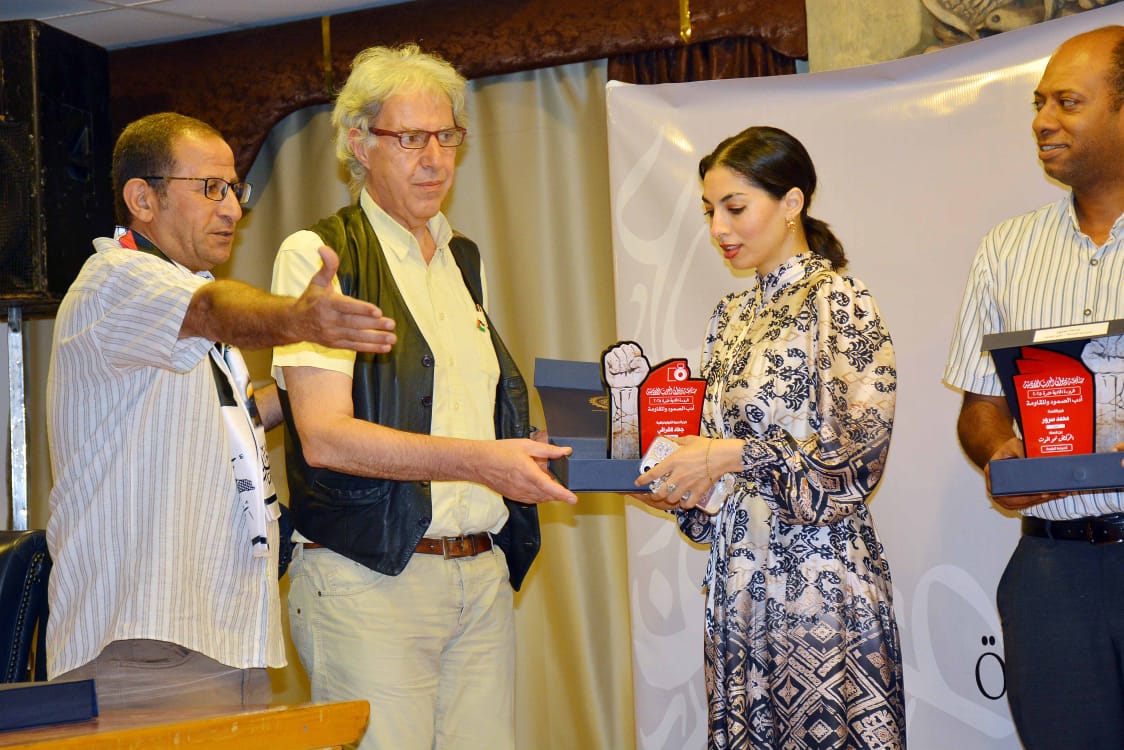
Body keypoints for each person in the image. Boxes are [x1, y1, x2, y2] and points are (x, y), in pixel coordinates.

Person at [270, 44, 576, 750]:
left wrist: (529, 453)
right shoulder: (319, 256)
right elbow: (324, 436)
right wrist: (482, 461)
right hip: (370, 579)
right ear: (359, 144)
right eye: (410, 139)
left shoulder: (464, 257)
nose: (435, 159)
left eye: (447, 137)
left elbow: (466, 411)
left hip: (480, 574)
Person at [45, 112, 397, 710]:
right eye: (211, 188)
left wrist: (311, 390)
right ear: (142, 198)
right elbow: (213, 309)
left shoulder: (176, 295)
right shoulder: (116, 278)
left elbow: (226, 422)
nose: (233, 208)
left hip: (226, 631)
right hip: (146, 639)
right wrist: (298, 319)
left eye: (235, 189)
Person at [636, 126, 905, 749]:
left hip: (819, 585)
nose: (718, 229)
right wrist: (673, 481)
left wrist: (729, 455)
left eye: (735, 207)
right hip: (739, 585)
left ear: (791, 203)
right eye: (710, 211)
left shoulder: (839, 299)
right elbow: (714, 468)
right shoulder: (729, 317)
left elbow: (856, 462)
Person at [944, 25, 1124, 749]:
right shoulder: (1007, 250)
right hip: (1053, 572)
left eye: (1068, 102)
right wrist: (999, 454)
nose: (1043, 121)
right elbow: (979, 409)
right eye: (1039, 103)